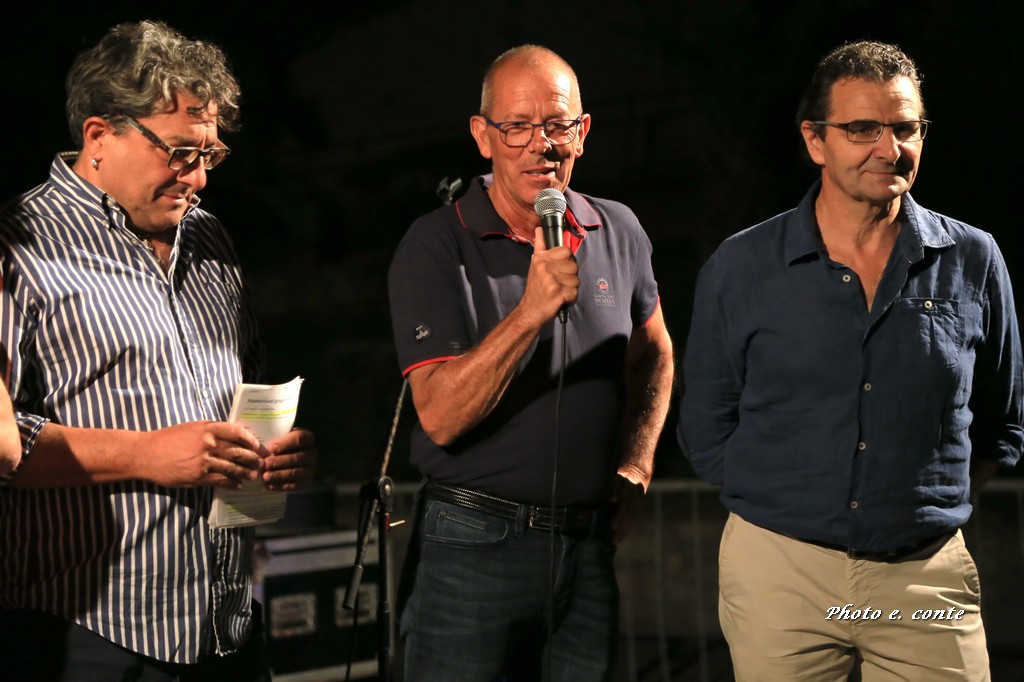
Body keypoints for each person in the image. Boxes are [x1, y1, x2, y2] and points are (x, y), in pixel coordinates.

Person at [678, 40, 1022, 680]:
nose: (889, 149)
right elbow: (705, 423)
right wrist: (790, 505)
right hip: (780, 572)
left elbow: (1002, 419)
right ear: (815, 140)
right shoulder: (741, 265)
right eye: (862, 129)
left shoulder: (973, 258)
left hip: (923, 573)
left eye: (905, 128)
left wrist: (914, 505)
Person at [0, 20, 317, 680]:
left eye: (209, 155)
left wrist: (274, 449)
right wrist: (146, 453)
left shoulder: (209, 237)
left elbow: (243, 384)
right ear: (99, 136)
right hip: (93, 630)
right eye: (179, 153)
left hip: (228, 624)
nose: (198, 178)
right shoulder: (17, 244)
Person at [388, 45, 674, 680]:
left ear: (583, 132)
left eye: (557, 125)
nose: (540, 145)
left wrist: (637, 463)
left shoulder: (618, 228)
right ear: (482, 136)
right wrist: (530, 312)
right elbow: (440, 417)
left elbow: (653, 350)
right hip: (471, 546)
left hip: (587, 546)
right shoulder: (436, 243)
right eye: (516, 126)